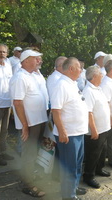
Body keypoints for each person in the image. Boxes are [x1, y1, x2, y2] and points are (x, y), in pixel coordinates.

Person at [10, 49, 47, 197]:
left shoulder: (32, 75)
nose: (39, 61)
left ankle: (31, 175)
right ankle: (28, 185)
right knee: (29, 153)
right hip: (30, 124)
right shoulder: (20, 77)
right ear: (25, 60)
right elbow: (17, 103)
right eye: (36, 58)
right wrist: (24, 125)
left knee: (34, 151)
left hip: (37, 121)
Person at [50, 57, 88, 200]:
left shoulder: (72, 83)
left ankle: (74, 188)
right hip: (69, 134)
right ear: (71, 69)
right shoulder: (61, 85)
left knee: (77, 165)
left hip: (78, 132)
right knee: (69, 168)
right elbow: (56, 111)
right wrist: (62, 131)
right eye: (79, 67)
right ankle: (68, 195)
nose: (81, 70)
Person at [82, 66, 112, 189]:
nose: (102, 75)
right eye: (100, 73)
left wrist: (110, 120)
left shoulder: (98, 88)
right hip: (96, 130)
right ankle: (88, 176)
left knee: (102, 151)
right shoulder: (88, 91)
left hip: (104, 127)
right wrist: (94, 130)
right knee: (93, 154)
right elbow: (88, 112)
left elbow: (105, 106)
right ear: (94, 76)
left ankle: (99, 169)